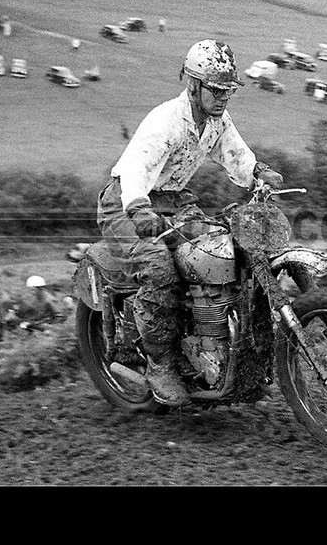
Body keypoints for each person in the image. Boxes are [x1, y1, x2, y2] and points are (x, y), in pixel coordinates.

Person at [95, 39, 285, 406]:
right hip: (125, 203)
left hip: (173, 200)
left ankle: (225, 352)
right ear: (193, 85)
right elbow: (137, 166)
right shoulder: (166, 120)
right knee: (159, 268)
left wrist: (258, 172)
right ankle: (160, 362)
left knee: (221, 250)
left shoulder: (216, 121)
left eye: (228, 91)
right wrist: (137, 207)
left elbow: (234, 152)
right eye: (215, 90)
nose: (222, 98)